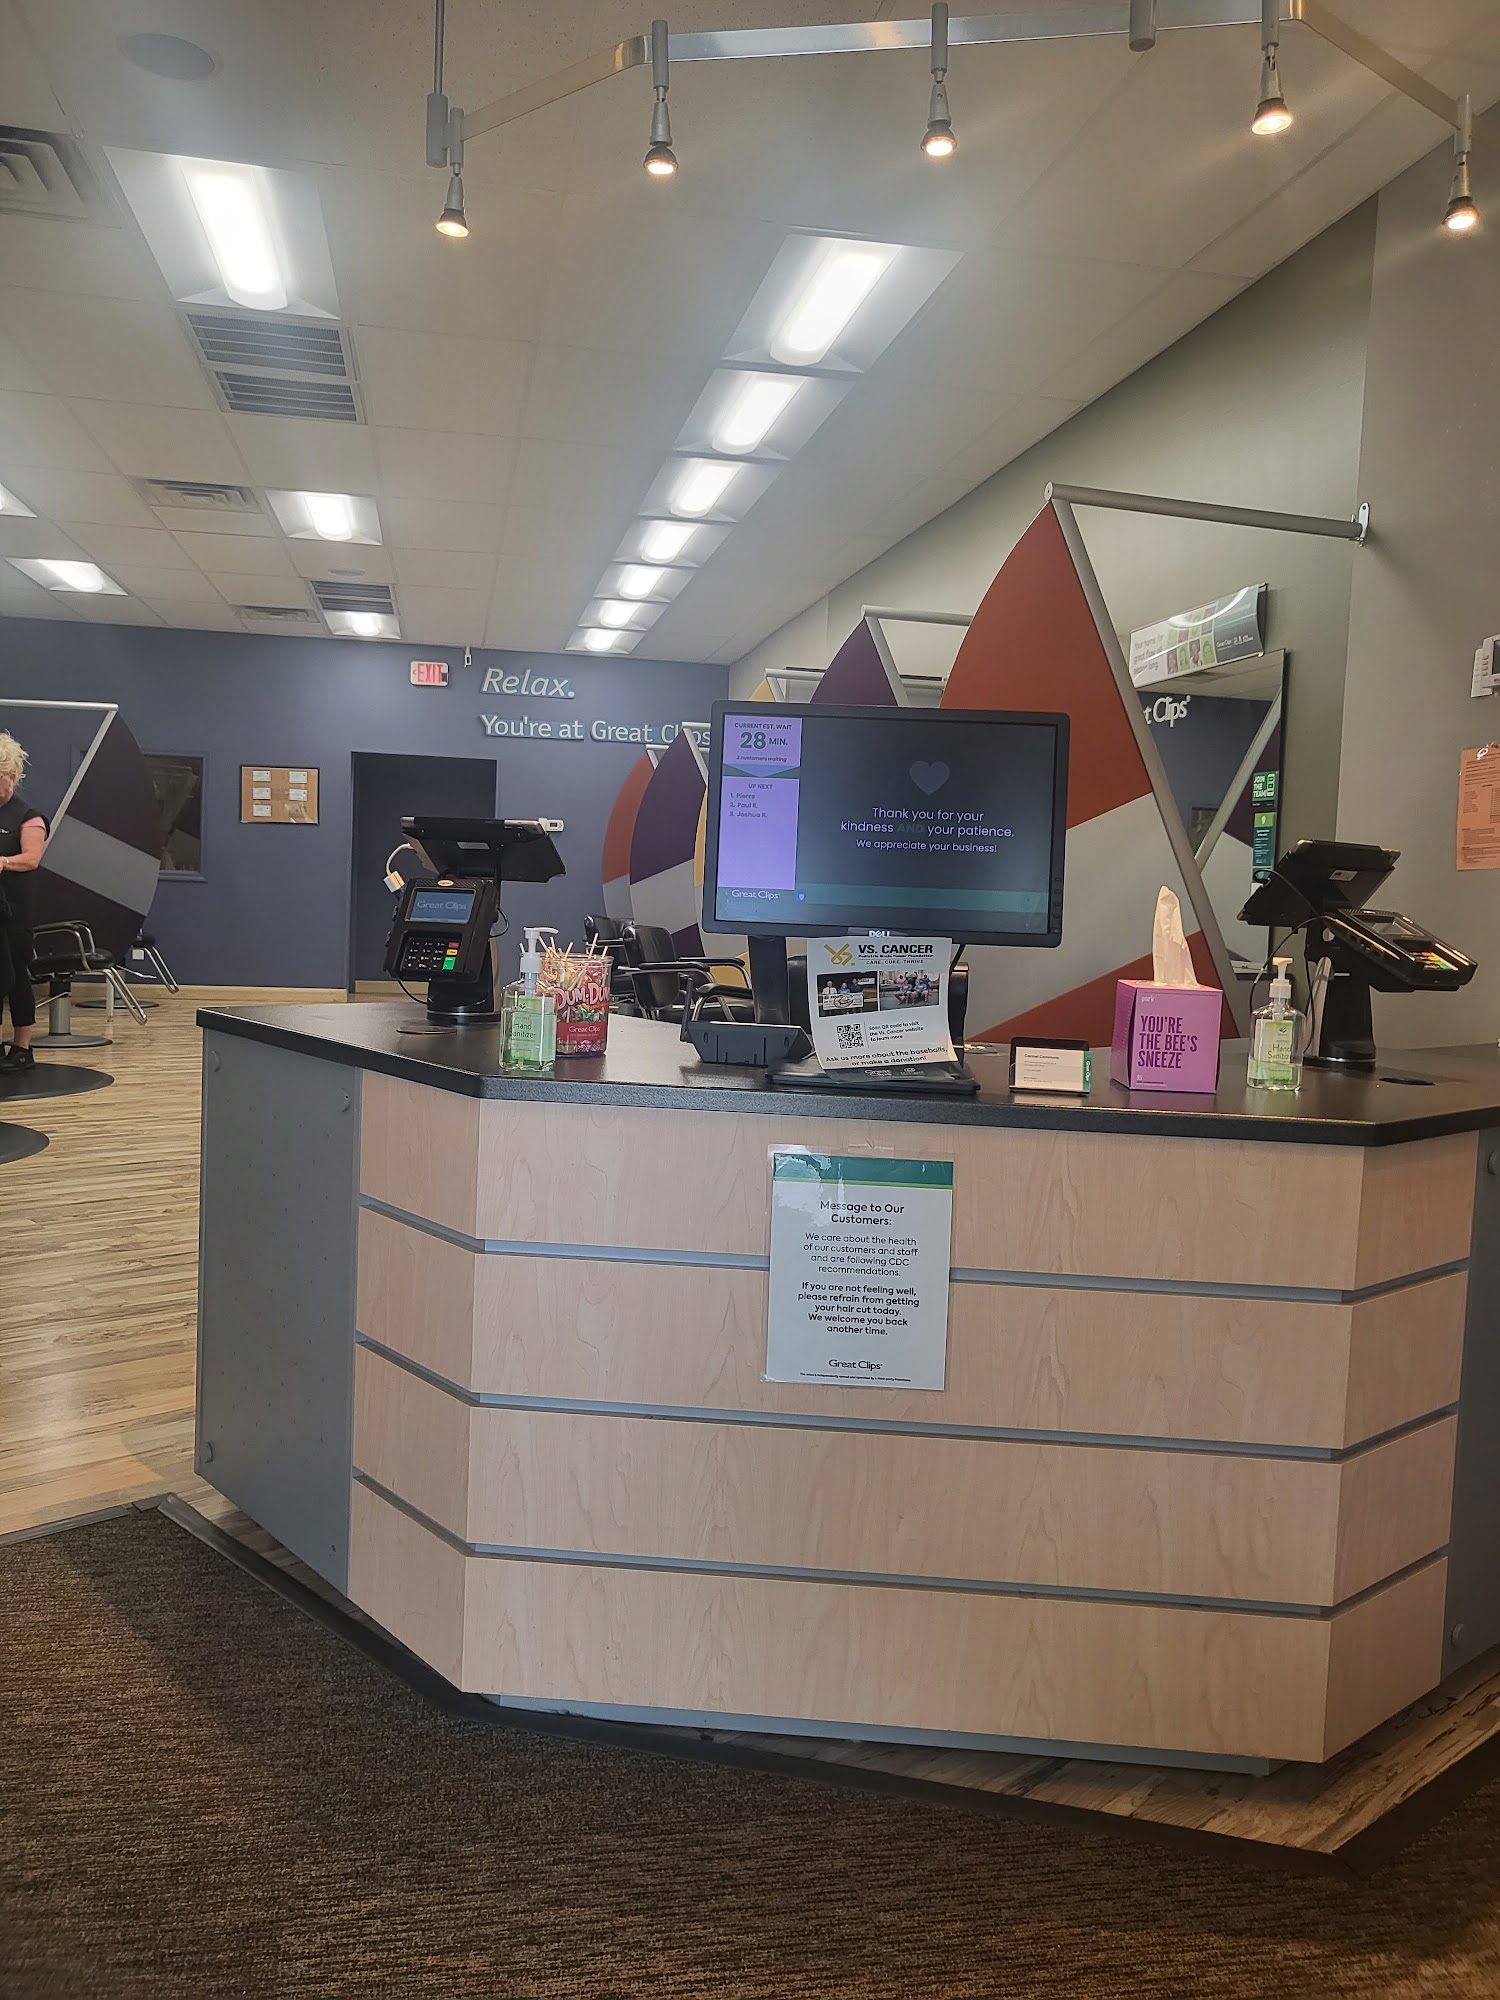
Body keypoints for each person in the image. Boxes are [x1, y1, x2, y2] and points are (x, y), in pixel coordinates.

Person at [0, 731, 48, 1075]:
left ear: (12, 776)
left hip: (15, 911)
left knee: (17, 977)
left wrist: (2, 862)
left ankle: (22, 1048)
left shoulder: (28, 816)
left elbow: (31, 858)